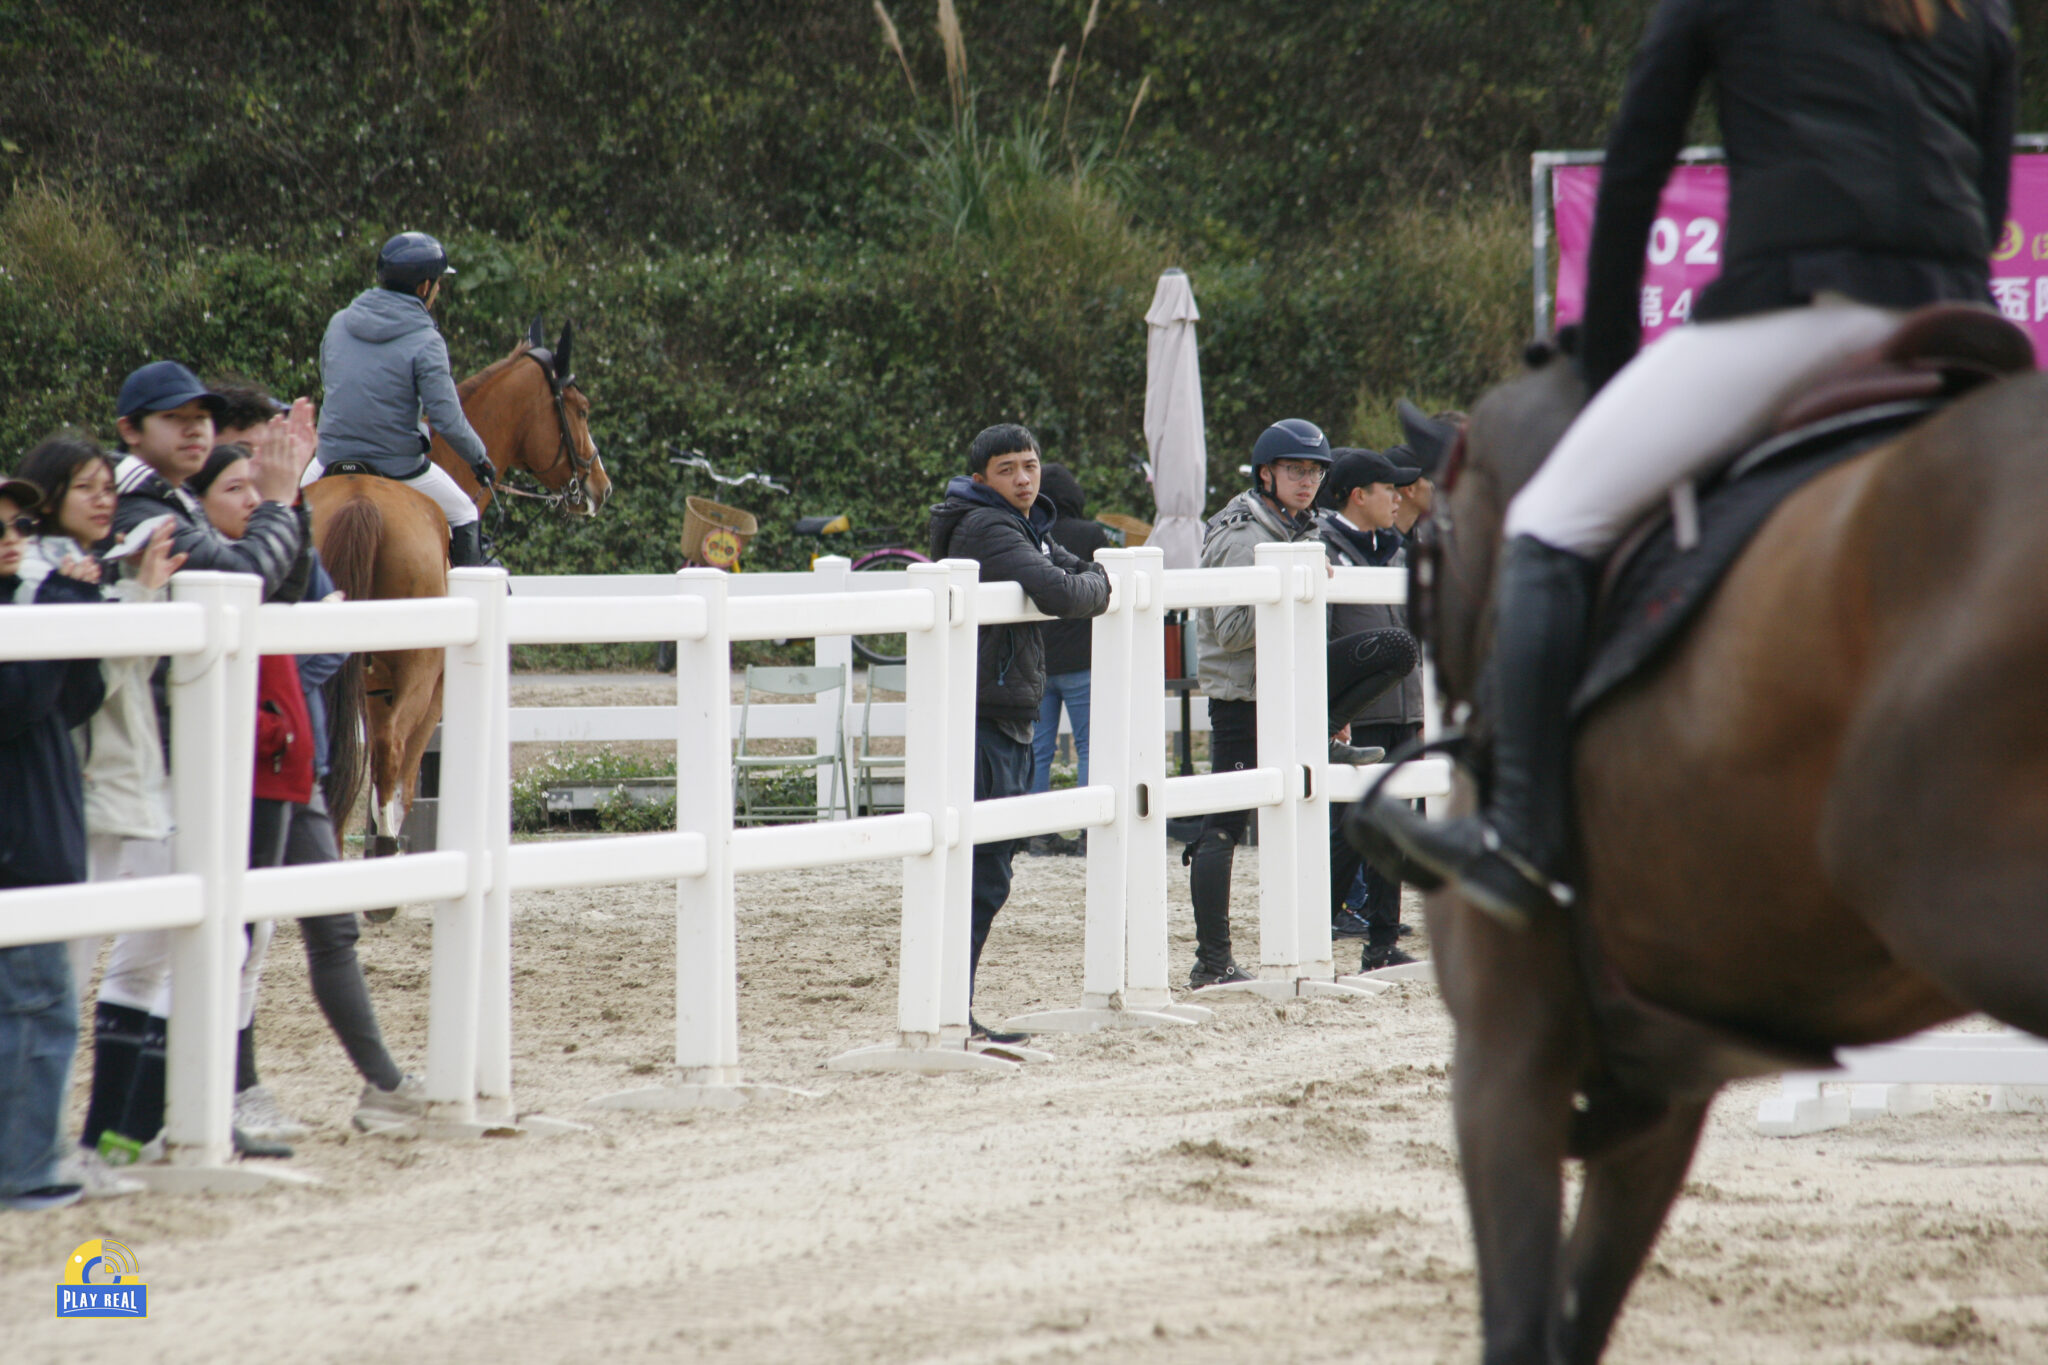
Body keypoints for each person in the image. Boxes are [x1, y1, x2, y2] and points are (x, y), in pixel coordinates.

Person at [1356, 0, 2016, 928]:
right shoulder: (1976, 11)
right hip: (1963, 330)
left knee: (1554, 521)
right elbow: (1985, 210)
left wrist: (1610, 361)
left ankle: (1519, 837)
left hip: (1804, 308)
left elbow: (1632, 175)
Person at [186, 442, 426, 1137]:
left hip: (301, 759)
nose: (254, 498)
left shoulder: (295, 526)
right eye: (237, 488)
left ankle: (381, 1081)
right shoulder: (220, 553)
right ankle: (234, 1086)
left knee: (330, 924)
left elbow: (334, 635)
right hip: (255, 762)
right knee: (466, 506)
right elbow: (325, 638)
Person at [1186, 420, 1417, 989]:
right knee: (1223, 828)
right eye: (1296, 470)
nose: (1307, 480)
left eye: (1314, 471)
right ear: (1266, 474)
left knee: (1397, 649)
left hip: (1295, 687)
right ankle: (1211, 961)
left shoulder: (1303, 528)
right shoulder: (1242, 533)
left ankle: (1327, 721)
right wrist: (1296, 581)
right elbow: (1233, 629)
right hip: (1246, 697)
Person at [929, 425, 1111, 1040]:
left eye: (1030, 465)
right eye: (1008, 469)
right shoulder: (990, 526)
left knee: (989, 866)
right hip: (985, 713)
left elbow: (1067, 569)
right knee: (984, 870)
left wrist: (1090, 580)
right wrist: (1104, 587)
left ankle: (955, 1008)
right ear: (982, 478)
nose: (1024, 479)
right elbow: (1065, 589)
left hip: (998, 708)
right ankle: (952, 1011)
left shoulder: (1020, 522)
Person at [0, 476, 105, 1211]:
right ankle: (25, 1169)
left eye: (19, 523)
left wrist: (76, 613)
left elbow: (74, 698)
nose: (14, 536)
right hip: (20, 847)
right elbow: (21, 703)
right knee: (39, 1006)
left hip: (39, 831)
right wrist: (64, 609)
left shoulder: (22, 605)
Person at [309, 231, 496, 568]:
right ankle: (471, 607)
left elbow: (330, 381)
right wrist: (479, 459)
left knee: (281, 509)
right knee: (466, 513)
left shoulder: (338, 323)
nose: (438, 289)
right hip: (397, 467)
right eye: (438, 282)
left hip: (330, 458)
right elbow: (447, 420)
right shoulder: (427, 340)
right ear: (424, 287)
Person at [1316, 449, 1424, 970]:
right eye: (1389, 489)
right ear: (1360, 496)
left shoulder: (1400, 550)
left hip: (1405, 706)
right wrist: (1336, 711)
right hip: (1359, 709)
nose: (1399, 497)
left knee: (1395, 827)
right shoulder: (1323, 550)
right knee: (1353, 832)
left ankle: (1382, 941)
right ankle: (1314, 923)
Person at [1027, 463, 1111, 856]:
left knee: (1038, 749)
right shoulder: (1091, 534)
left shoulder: (1032, 533)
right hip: (1082, 659)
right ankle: (1087, 831)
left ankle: (1037, 832)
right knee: (1089, 746)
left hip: (1040, 661)